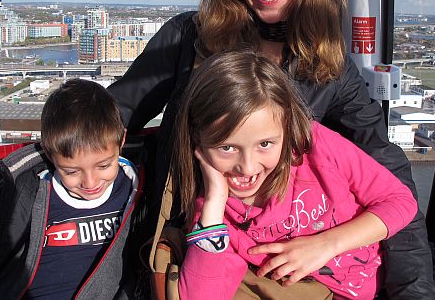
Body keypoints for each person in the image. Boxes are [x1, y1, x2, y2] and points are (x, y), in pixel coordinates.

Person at [0, 0, 435, 298]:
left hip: (278, 268)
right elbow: (102, 121)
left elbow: (389, 177)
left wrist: (410, 291)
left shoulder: (328, 69)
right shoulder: (189, 39)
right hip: (182, 255)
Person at [173, 51, 418, 299]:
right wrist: (214, 206)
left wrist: (326, 244)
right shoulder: (217, 213)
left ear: (287, 128)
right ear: (197, 141)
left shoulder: (317, 146)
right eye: (227, 148)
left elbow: (400, 201)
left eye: (265, 144)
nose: (247, 168)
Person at [0, 79, 141, 300]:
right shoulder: (34, 189)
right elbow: (14, 175)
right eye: (71, 171)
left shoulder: (133, 182)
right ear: (50, 155)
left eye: (104, 166)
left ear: (122, 142)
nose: (90, 183)